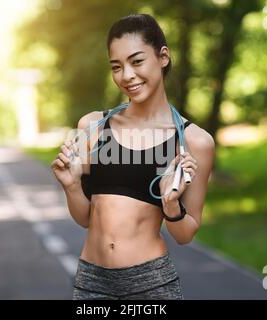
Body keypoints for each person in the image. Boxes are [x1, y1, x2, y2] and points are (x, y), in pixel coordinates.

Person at [51, 13, 215, 300]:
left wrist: (170, 203)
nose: (126, 76)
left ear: (163, 57)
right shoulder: (92, 126)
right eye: (117, 66)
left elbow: (185, 234)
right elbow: (86, 219)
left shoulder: (192, 141)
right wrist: (73, 186)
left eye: (136, 61)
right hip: (92, 281)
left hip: (151, 285)